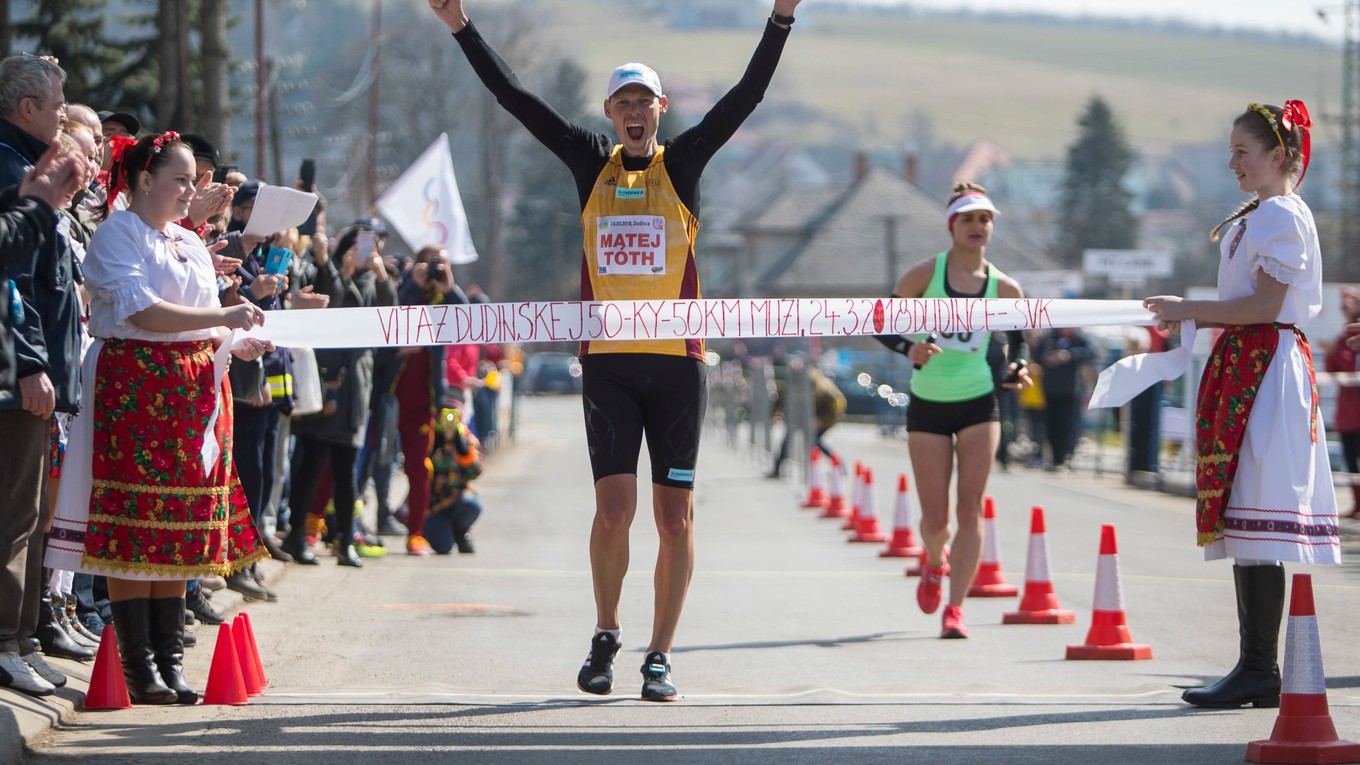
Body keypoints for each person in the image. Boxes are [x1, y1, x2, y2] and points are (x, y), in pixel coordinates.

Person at [429, 0, 800, 701]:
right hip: (608, 362)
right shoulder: (587, 162)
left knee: (674, 516)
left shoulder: (684, 162)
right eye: (622, 103)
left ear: (661, 109)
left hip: (676, 364)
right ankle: (606, 633)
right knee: (613, 510)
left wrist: (779, 16)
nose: (634, 113)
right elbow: (514, 97)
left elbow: (749, 94)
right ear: (608, 111)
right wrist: (460, 26)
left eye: (645, 102)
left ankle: (659, 653)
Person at [43, 132, 272, 705]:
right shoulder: (119, 233)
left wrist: (230, 338)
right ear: (145, 180)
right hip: (137, 387)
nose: (191, 190)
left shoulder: (186, 241)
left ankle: (169, 662)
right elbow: (140, 309)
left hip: (193, 389)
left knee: (179, 523)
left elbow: (197, 316)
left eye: (192, 180)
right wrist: (221, 314)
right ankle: (138, 664)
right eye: (181, 179)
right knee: (136, 521)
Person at [1143, 100, 1338, 710]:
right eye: (1231, 152)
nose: (1232, 163)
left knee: (1255, 510)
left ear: (1277, 155)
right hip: (1250, 362)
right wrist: (1191, 312)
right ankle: (1255, 666)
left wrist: (1190, 309)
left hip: (1267, 365)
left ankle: (1259, 667)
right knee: (1245, 516)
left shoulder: (1280, 213)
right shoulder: (1264, 213)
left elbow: (1262, 306)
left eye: (1242, 152)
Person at [874, 182, 1031, 639]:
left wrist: (1018, 365)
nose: (978, 226)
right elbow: (880, 323)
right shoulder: (925, 275)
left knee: (970, 510)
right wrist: (910, 349)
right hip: (929, 403)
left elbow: (1019, 339)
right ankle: (933, 560)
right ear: (952, 226)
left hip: (979, 401)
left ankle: (956, 609)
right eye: (968, 219)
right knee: (936, 519)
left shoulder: (1005, 287)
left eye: (985, 219)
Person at [283, 223, 396, 567]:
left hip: (354, 385)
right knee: (310, 461)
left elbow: (383, 315)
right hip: (324, 376)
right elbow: (331, 304)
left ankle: (346, 539)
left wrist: (380, 277)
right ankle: (296, 534)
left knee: (347, 469)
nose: (362, 253)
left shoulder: (375, 279)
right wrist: (338, 270)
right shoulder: (326, 269)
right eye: (357, 246)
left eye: (369, 247)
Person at [386, 245, 467, 556]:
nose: (435, 271)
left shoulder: (444, 298)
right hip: (387, 391)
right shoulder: (405, 288)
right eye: (431, 265)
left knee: (419, 467)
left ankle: (416, 533)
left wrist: (449, 286)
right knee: (368, 463)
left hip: (424, 399)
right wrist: (413, 282)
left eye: (442, 266)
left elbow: (465, 320)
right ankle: (335, 525)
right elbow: (392, 313)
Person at [422, 407, 483, 555]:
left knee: (473, 505)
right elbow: (415, 471)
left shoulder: (465, 436)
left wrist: (462, 451)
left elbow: (475, 472)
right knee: (444, 547)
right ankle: (429, 530)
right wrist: (432, 448)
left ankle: (460, 531)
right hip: (432, 504)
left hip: (457, 498)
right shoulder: (428, 432)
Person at [1034, 327, 1095, 471]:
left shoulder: (1080, 339)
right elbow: (1037, 354)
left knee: (1068, 425)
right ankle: (1054, 458)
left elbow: (1089, 354)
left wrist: (1068, 355)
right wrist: (1048, 357)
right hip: (1050, 388)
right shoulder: (1050, 338)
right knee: (1051, 424)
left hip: (1071, 389)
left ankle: (1065, 456)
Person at [768, 366, 844, 478]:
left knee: (815, 441)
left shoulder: (824, 389)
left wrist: (821, 420)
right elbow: (782, 400)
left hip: (821, 418)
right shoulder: (794, 385)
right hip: (802, 418)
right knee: (787, 441)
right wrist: (777, 415)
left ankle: (838, 464)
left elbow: (835, 408)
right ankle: (777, 469)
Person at [1326, 286, 1360, 518]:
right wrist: (1329, 354)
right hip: (1349, 414)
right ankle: (1358, 504)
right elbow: (1333, 369)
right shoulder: (1341, 339)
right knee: (1351, 462)